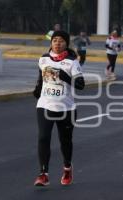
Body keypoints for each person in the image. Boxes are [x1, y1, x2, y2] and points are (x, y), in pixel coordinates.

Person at [33, 30, 85, 186]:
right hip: (45, 104)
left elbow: (81, 85)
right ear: (51, 42)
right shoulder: (43, 59)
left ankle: (67, 167)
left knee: (65, 141)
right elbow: (41, 78)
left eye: (61, 41)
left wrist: (64, 76)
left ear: (66, 44)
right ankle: (43, 174)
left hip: (66, 108)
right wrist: (37, 89)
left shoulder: (72, 62)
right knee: (43, 137)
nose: (57, 43)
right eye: (54, 40)